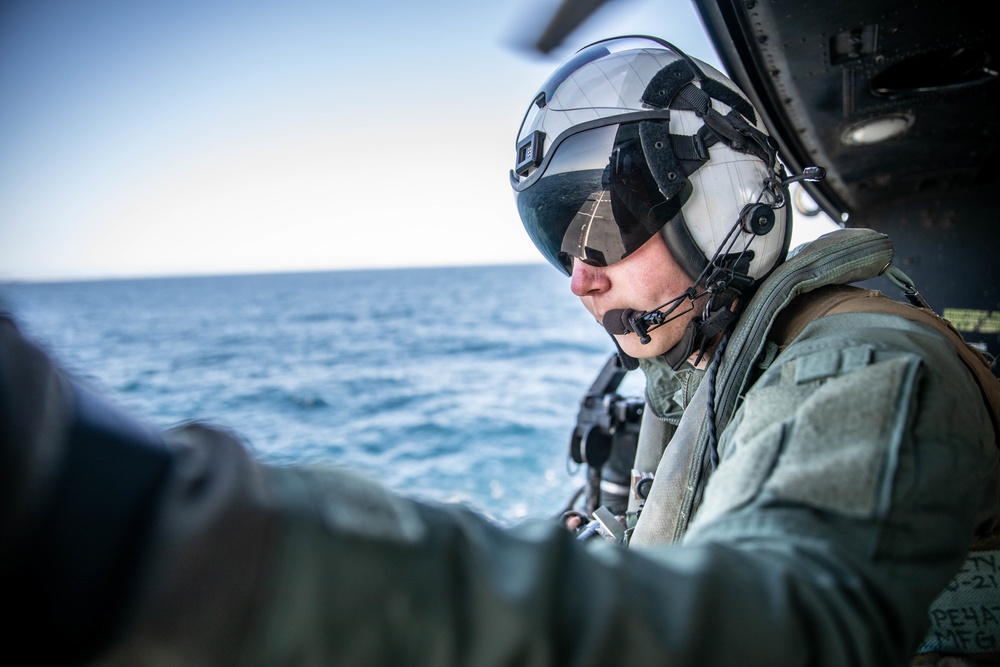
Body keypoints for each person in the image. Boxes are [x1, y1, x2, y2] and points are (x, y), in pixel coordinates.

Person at [2, 35, 998, 666]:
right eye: (558, 242)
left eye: (602, 227)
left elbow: (782, 624)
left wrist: (164, 541)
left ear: (723, 196)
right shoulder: (701, 367)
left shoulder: (865, 366)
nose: (579, 275)